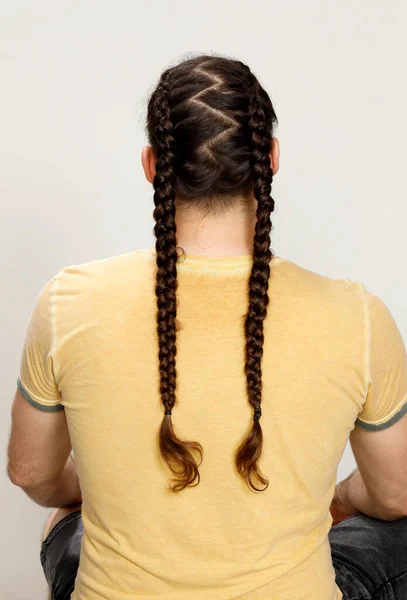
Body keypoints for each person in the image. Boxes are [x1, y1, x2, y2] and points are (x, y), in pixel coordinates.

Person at [7, 54, 407, 600]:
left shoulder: (67, 301)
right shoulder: (360, 316)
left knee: (66, 522)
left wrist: (88, 492)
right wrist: (333, 500)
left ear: (152, 165)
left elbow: (31, 472)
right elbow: (395, 494)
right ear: (271, 158)